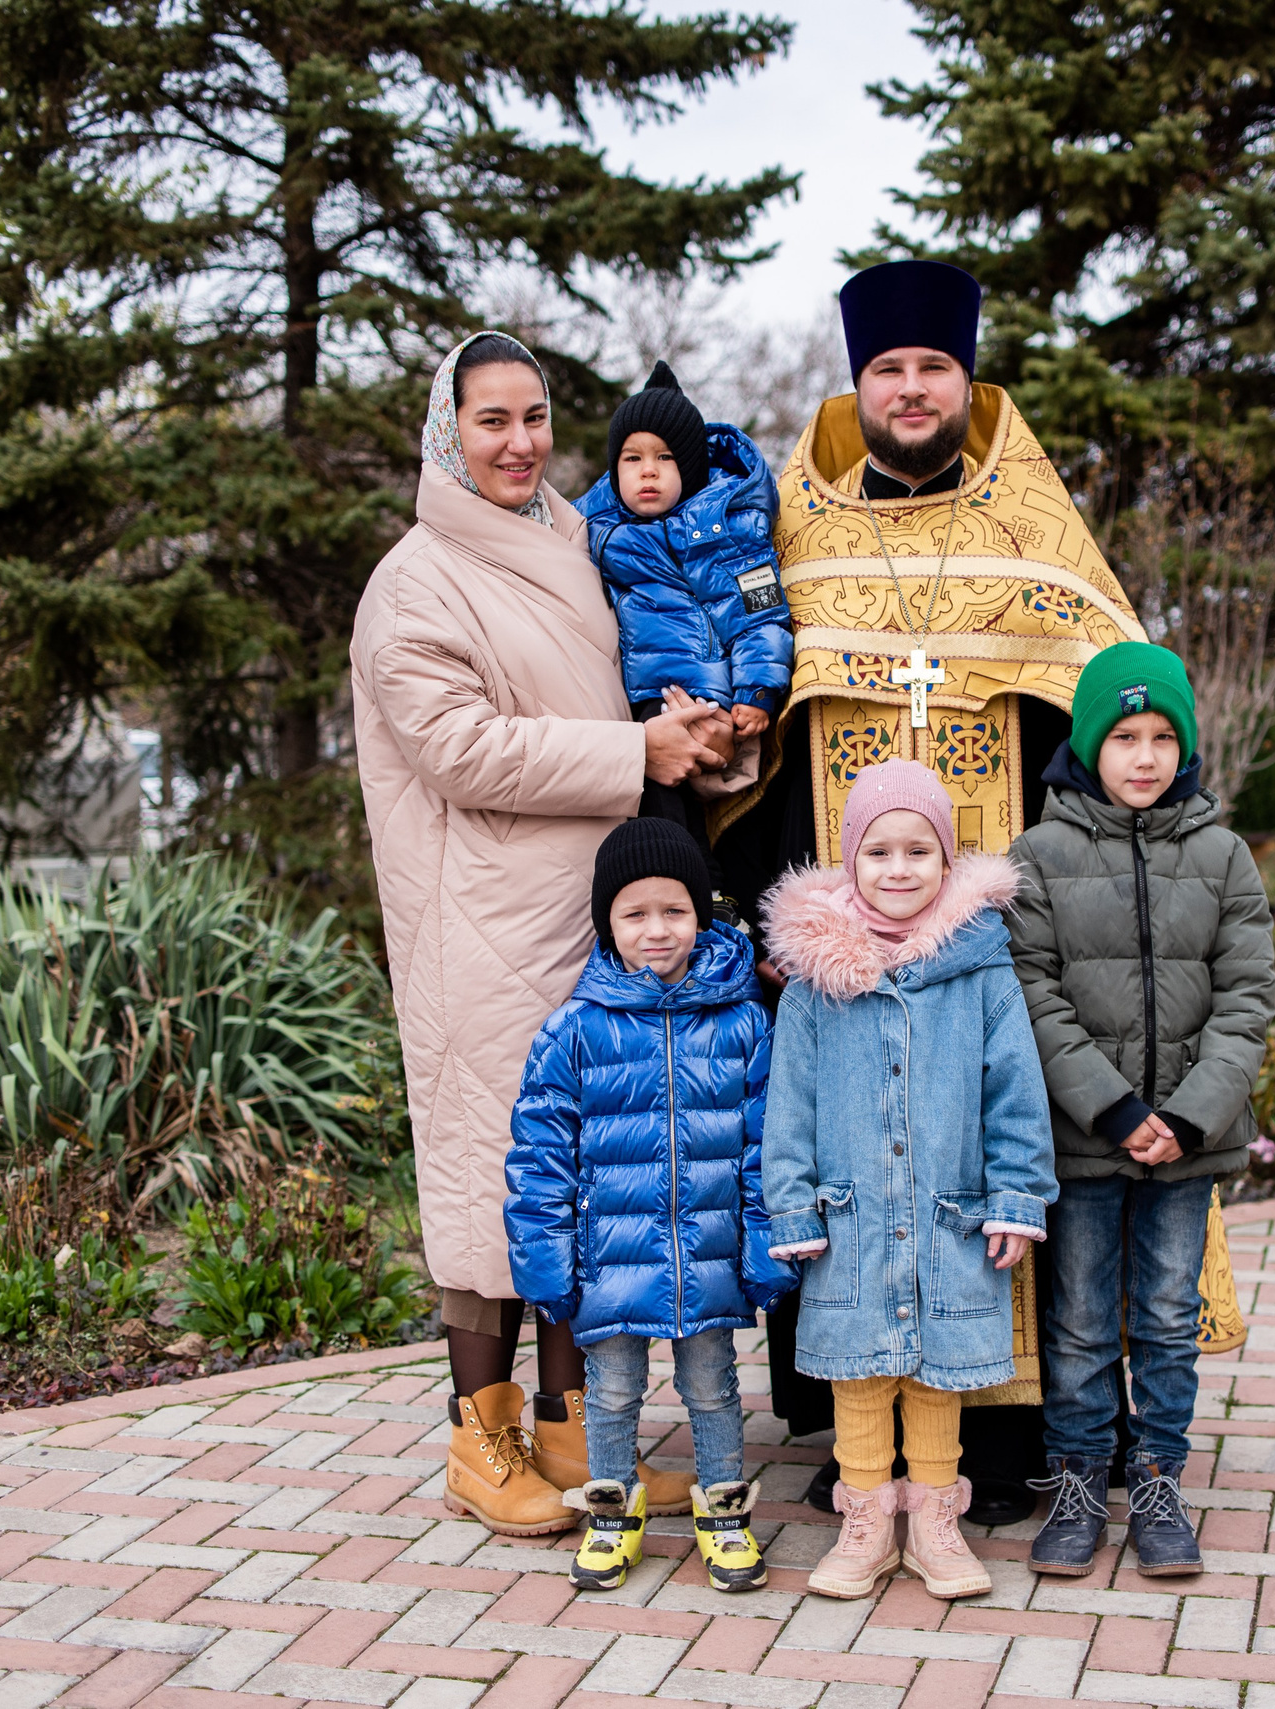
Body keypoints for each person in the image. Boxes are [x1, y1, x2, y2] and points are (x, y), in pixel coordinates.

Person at [712, 259, 1151, 1522]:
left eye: (933, 369)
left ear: (968, 381)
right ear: (861, 387)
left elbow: (1106, 710)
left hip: (993, 925)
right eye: (888, 372)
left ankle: (1007, 1441)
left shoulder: (1034, 534)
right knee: (852, 1146)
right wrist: (771, 912)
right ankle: (850, 1436)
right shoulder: (796, 532)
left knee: (983, 1145)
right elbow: (766, 744)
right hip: (844, 917)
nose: (911, 390)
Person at [350, 331, 728, 1537]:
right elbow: (460, 748)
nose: (519, 444)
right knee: (486, 1180)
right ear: (444, 432)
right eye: (490, 421)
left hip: (587, 913)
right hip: (477, 925)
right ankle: (482, 1441)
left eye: (534, 417)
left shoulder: (578, 538)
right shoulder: (413, 582)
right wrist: (636, 754)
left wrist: (693, 727)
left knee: (580, 1173)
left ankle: (576, 1434)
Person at [1002, 642, 1275, 1577]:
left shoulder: (1223, 854)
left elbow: (1248, 1000)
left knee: (1164, 1315)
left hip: (1187, 1150)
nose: (1146, 756)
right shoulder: (1036, 857)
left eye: (1163, 736)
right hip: (1086, 1141)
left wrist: (1189, 1118)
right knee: (1078, 1318)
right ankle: (1079, 1478)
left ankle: (1156, 1475)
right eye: (1124, 736)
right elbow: (1031, 995)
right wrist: (1115, 1110)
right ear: (1089, 744)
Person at [757, 761, 1059, 1601]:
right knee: (859, 1365)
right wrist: (790, 1200)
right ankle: (865, 1520)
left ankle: (932, 1520)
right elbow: (790, 1103)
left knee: (935, 1366)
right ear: (850, 859)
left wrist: (1013, 1198)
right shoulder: (818, 982)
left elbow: (1015, 1093)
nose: (898, 868)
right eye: (879, 850)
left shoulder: (981, 970)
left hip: (946, 1212)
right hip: (850, 1215)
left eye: (918, 850)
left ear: (947, 859)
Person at [503, 818, 791, 1593]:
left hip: (710, 1249)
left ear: (703, 914)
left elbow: (768, 1142)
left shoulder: (741, 1022)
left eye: (675, 910)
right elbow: (539, 1157)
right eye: (635, 914)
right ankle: (610, 1516)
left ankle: (725, 1516)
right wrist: (545, 1259)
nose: (657, 930)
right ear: (608, 924)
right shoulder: (573, 1031)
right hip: (611, 1258)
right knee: (613, 1390)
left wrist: (764, 1244)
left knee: (714, 1386)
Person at [576, 361, 792, 909]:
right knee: (657, 803)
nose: (647, 472)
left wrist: (758, 690)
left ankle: (715, 891)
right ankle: (695, 890)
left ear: (691, 467)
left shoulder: (731, 533)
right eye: (632, 459)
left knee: (719, 809)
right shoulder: (595, 531)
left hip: (703, 694)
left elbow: (760, 612)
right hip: (633, 701)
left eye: (665, 458)